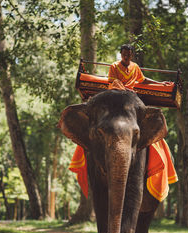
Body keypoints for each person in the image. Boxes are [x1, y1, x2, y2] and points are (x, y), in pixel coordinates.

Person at [69, 44, 177, 203]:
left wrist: (161, 83)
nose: (126, 57)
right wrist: (126, 91)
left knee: (157, 141)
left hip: (133, 103)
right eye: (124, 54)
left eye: (129, 54)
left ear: (132, 55)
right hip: (117, 99)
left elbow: (143, 80)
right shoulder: (114, 66)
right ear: (120, 55)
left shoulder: (135, 67)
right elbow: (112, 83)